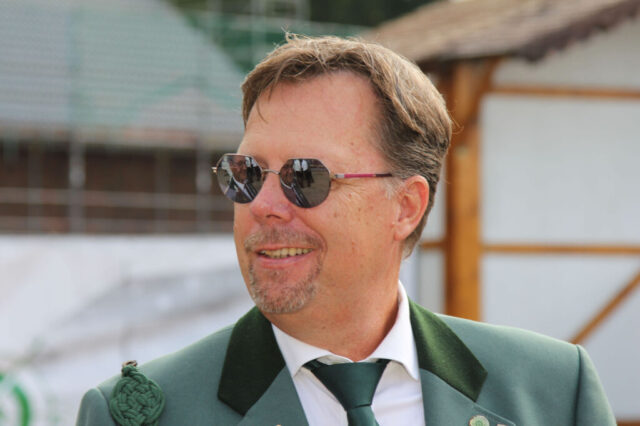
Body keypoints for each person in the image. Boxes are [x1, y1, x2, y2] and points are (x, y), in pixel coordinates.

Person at [77, 35, 616, 426]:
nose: (262, 205)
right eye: (246, 174)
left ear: (405, 206)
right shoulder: (148, 413)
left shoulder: (550, 391)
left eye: (304, 177)